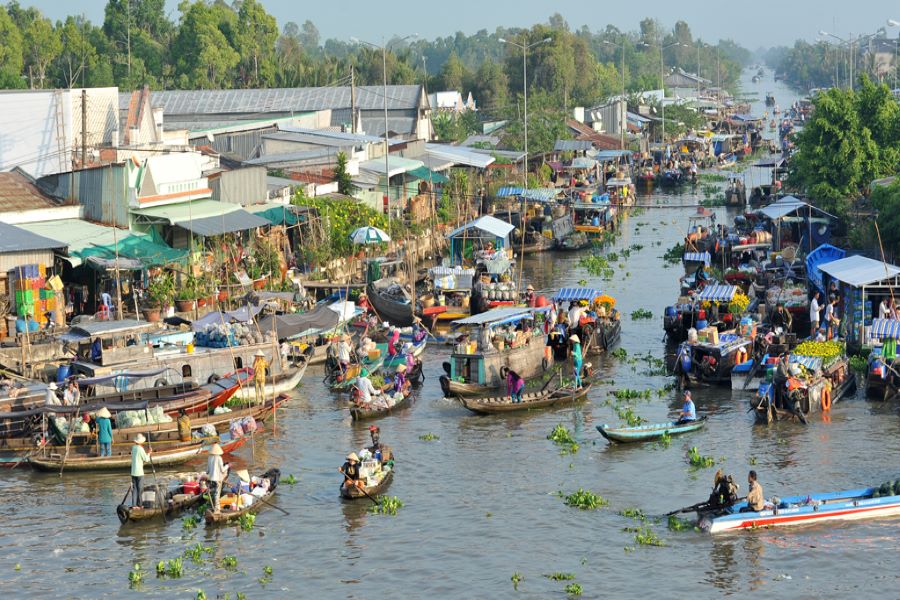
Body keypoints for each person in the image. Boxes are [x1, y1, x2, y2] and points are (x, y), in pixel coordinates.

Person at [130, 434, 151, 508]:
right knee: (140, 489)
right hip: (139, 472)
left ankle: (134, 505)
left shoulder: (133, 448)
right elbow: (146, 459)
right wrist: (149, 453)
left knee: (134, 489)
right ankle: (140, 505)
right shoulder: (140, 449)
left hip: (133, 472)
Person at [207, 443, 228, 513]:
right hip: (217, 479)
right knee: (217, 493)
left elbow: (207, 470)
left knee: (213, 493)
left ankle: (212, 506)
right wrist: (228, 466)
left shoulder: (209, 458)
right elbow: (222, 469)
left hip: (210, 479)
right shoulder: (219, 458)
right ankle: (217, 509)